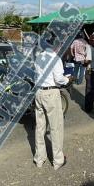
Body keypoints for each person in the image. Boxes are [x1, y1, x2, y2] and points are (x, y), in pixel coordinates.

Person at [33, 42, 71, 170]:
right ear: (57, 46)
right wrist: (68, 80)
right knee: (56, 127)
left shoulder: (39, 56)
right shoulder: (55, 58)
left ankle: (39, 158)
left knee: (40, 127)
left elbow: (35, 75)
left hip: (39, 92)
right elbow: (59, 79)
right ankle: (58, 160)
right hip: (51, 93)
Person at [83, 36, 94, 113]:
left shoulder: (91, 48)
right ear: (91, 41)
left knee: (91, 89)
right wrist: (84, 63)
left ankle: (89, 106)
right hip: (91, 71)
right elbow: (88, 60)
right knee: (92, 90)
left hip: (91, 70)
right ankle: (89, 108)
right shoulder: (89, 48)